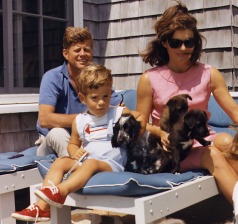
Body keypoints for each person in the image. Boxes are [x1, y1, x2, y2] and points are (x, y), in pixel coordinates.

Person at [136, 0, 238, 204]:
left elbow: (237, 113)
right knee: (213, 154)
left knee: (225, 141)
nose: (183, 48)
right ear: (165, 42)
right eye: (176, 42)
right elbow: (141, 124)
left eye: (189, 42)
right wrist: (161, 133)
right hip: (172, 150)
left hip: (202, 141)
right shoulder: (149, 79)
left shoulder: (209, 74)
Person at [12, 65, 146, 222]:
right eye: (95, 98)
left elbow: (141, 116)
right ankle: (41, 208)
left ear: (110, 94)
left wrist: (137, 134)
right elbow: (73, 143)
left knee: (91, 164)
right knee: (59, 162)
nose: (101, 102)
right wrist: (74, 150)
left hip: (111, 164)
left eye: (105, 96)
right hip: (86, 161)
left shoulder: (118, 112)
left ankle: (60, 192)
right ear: (83, 98)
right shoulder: (80, 120)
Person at [36, 27, 122, 158]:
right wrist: (86, 117)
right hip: (52, 142)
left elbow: (117, 108)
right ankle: (77, 171)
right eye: (77, 50)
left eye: (86, 49)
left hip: (86, 140)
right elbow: (45, 119)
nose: (83, 54)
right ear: (65, 53)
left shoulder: (96, 78)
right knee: (58, 133)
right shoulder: (53, 77)